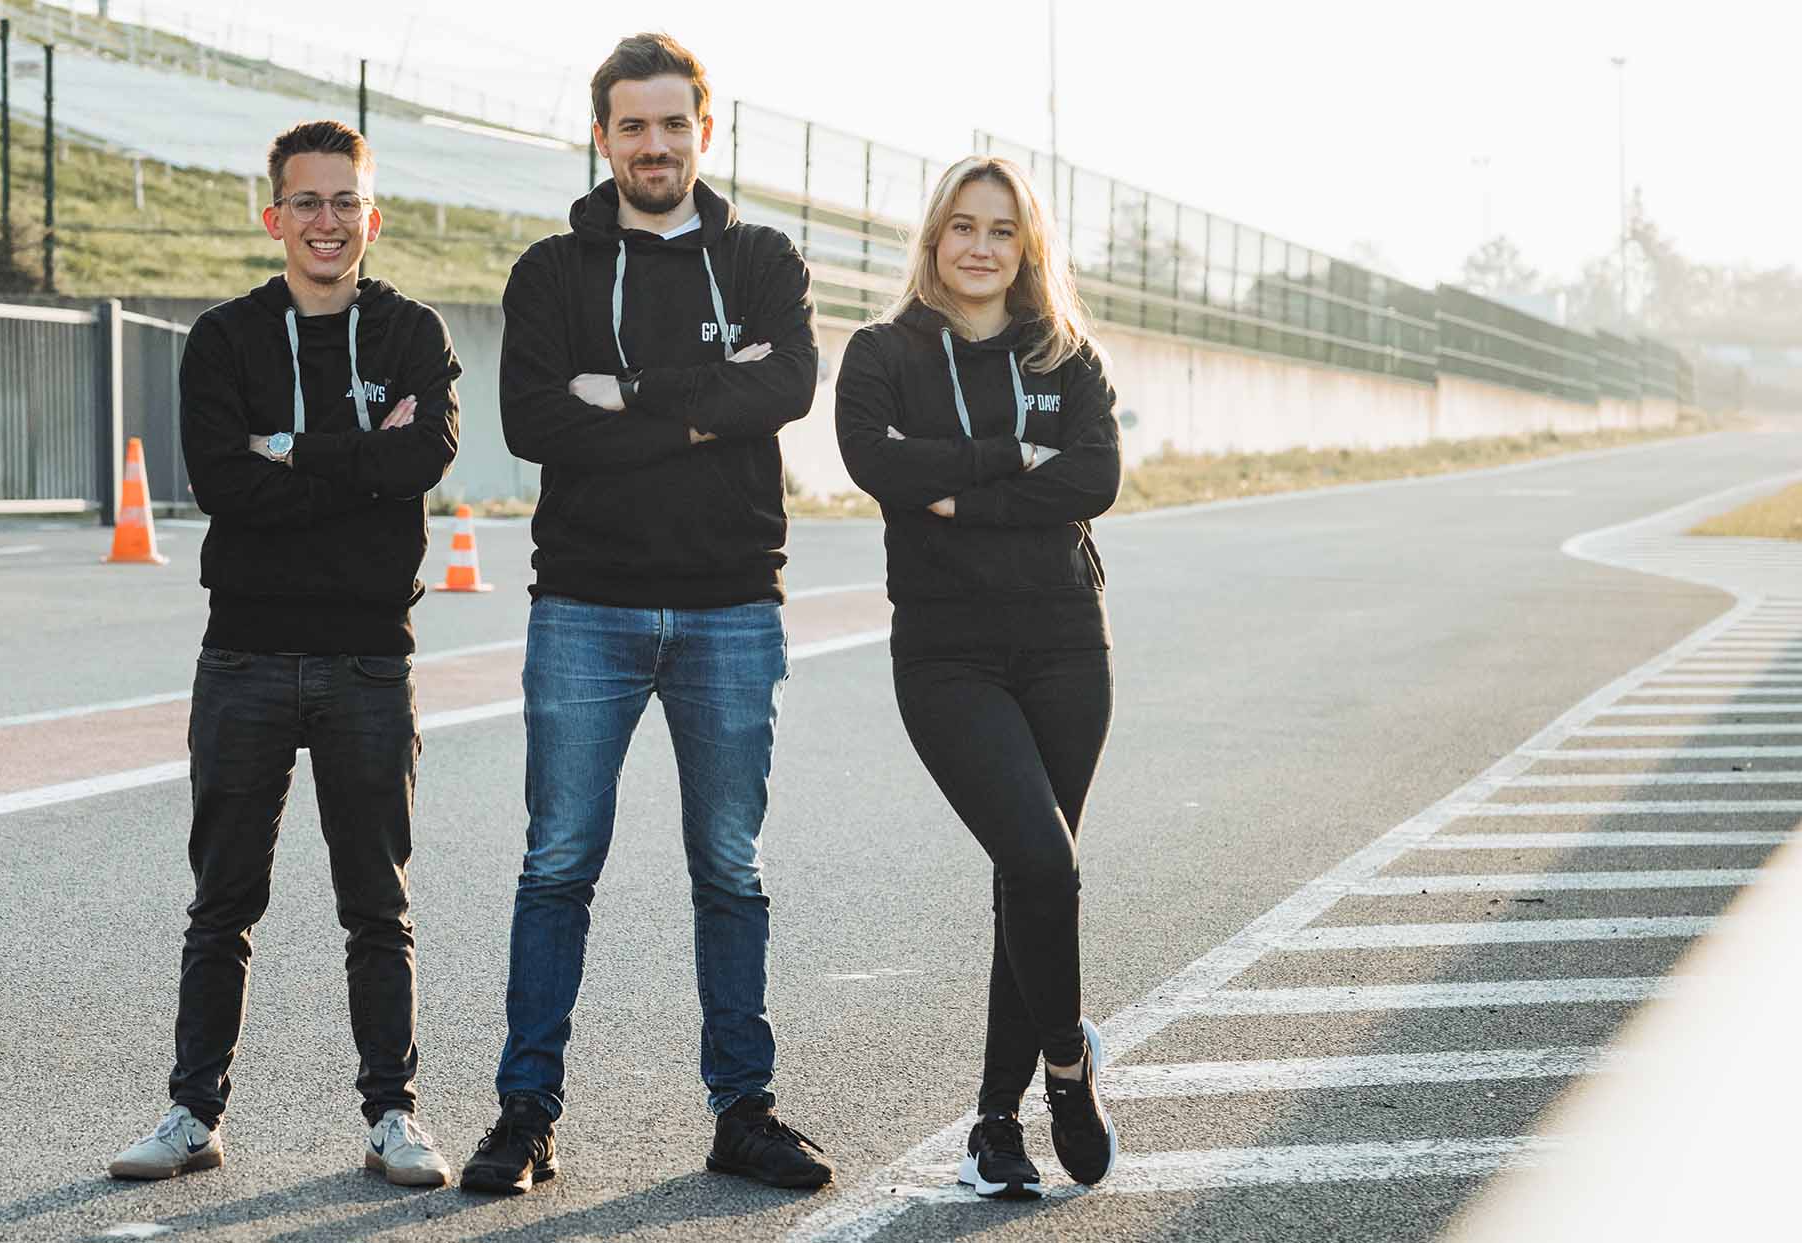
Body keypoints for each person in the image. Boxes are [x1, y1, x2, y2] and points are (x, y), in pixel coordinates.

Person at [454, 33, 832, 1195]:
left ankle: (744, 1109)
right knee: (557, 863)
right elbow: (532, 423)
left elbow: (787, 387)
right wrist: (708, 410)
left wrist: (626, 396)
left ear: (703, 132)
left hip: (731, 606)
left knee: (729, 866)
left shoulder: (763, 256)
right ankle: (526, 1113)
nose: (653, 145)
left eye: (673, 124)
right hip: (585, 604)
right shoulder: (551, 273)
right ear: (603, 134)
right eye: (632, 125)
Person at [108, 120, 463, 1187]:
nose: (325, 221)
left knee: (377, 905)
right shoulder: (223, 339)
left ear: (371, 215)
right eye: (304, 202)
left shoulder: (411, 332)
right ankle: (190, 1113)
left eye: (343, 201)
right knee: (222, 901)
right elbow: (223, 484)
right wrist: (360, 468)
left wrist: (297, 451)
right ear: (273, 217)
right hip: (246, 658)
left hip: (366, 662)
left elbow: (426, 457)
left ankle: (394, 1114)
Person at [831, 155, 1125, 1199]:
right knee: (1043, 862)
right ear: (933, 238)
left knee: (1030, 878)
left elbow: (1097, 477)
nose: (980, 245)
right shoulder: (879, 355)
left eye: (1001, 229)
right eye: (962, 225)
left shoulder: (1066, 356)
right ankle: (1066, 1062)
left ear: (1026, 247)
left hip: (1063, 644)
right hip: (947, 652)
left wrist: (960, 486)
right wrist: (1018, 459)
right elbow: (877, 463)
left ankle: (997, 1123)